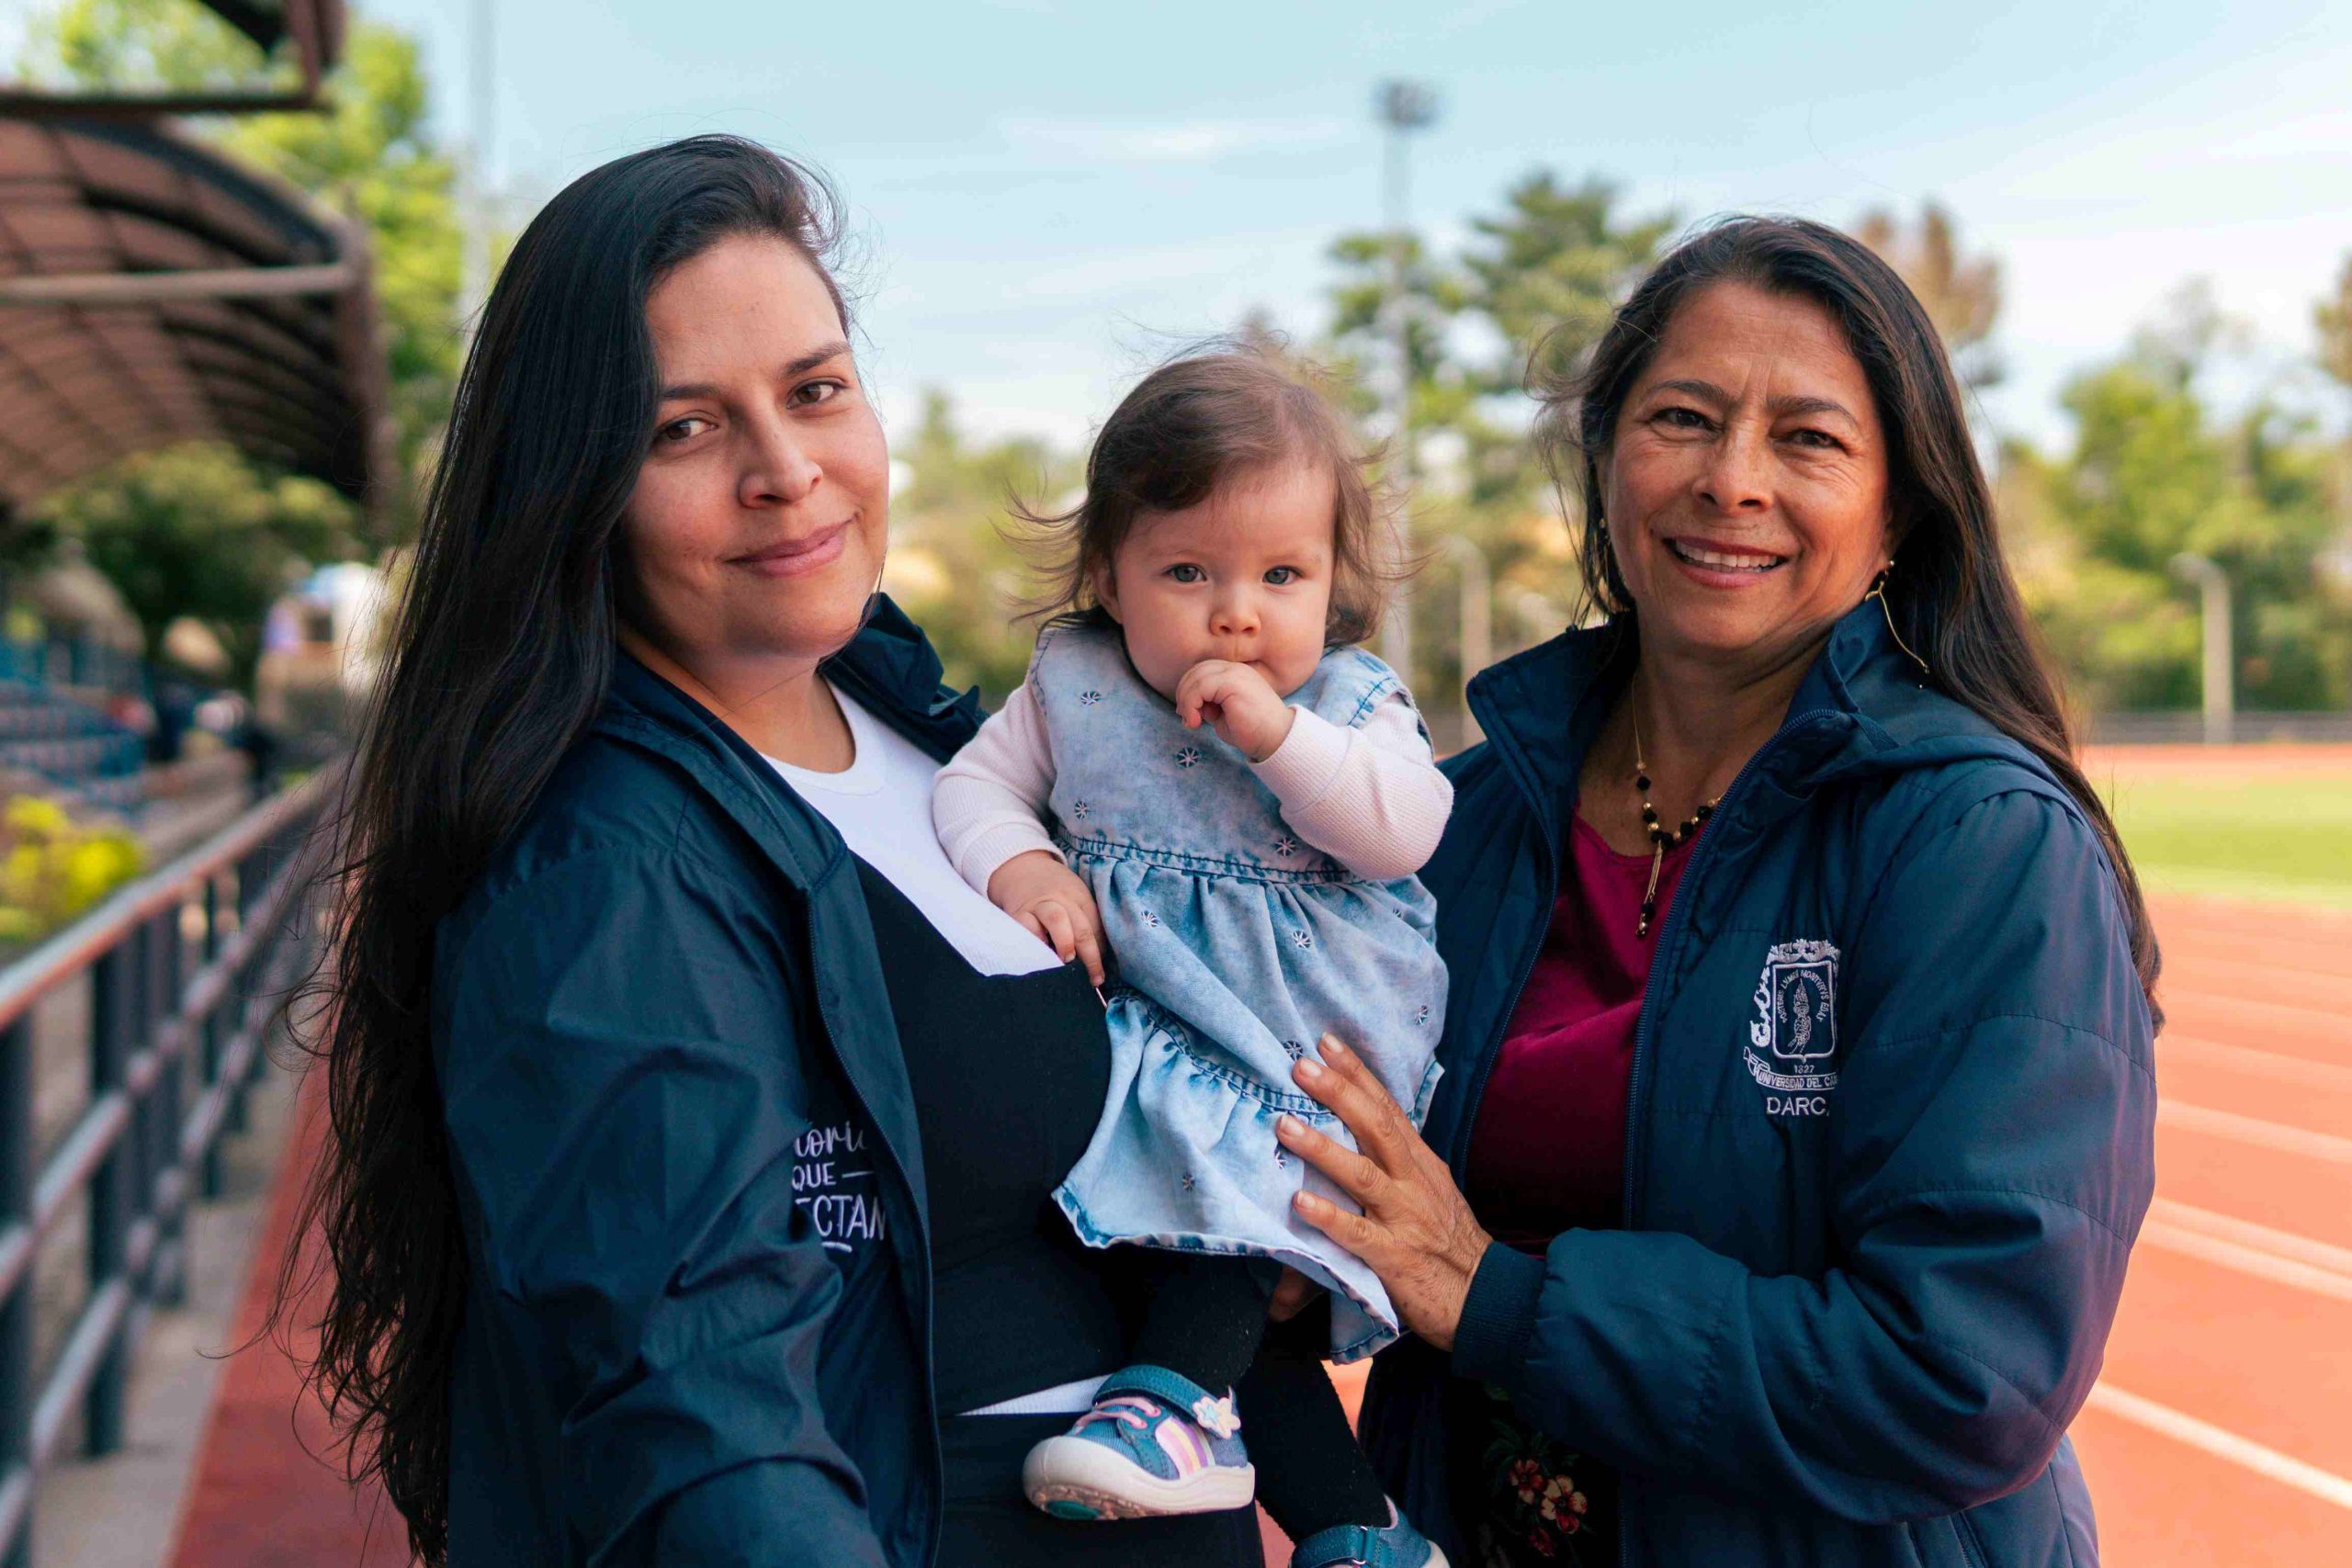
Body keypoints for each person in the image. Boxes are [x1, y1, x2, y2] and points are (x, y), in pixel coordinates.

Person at [295, 137, 1262, 1567]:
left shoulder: (939, 741)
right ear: (580, 487)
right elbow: (700, 1412)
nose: (787, 472)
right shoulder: (601, 866)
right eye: (683, 429)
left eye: (815, 391)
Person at [1267, 217, 2160, 1566]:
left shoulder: (1980, 843)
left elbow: (1963, 1374)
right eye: (1683, 418)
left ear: (1895, 515)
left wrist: (1493, 1295)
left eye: (1808, 439)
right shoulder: (1459, 823)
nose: (1731, 481)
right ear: (1608, 457)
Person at [933, 349, 1451, 1563]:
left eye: (1282, 574)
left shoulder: (1347, 699)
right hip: (1157, 1024)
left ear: (1332, 582)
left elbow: (1405, 826)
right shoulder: (1075, 687)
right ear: (1110, 576)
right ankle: (1358, 1531)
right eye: (1187, 570)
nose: (1238, 610)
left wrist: (1280, 739)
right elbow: (974, 791)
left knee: (1231, 1221)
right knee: (1206, 1277)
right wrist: (1028, 868)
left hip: (1295, 1034)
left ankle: (1167, 1403)